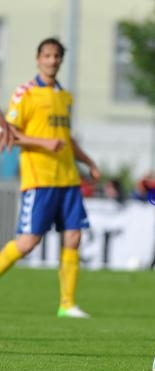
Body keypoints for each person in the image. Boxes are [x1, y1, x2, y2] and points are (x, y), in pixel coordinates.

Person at [0, 37, 101, 318]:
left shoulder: (64, 96)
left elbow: (66, 139)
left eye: (57, 56)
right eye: (47, 55)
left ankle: (67, 304)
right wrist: (43, 144)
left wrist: (88, 162)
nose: (52, 60)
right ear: (37, 59)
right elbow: (8, 133)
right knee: (28, 242)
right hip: (39, 178)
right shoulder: (25, 93)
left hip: (67, 178)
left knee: (73, 237)